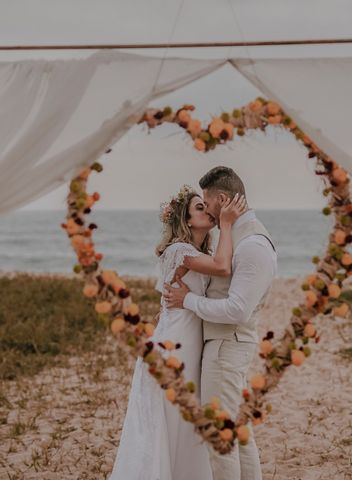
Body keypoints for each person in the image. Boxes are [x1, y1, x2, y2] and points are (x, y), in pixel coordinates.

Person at [110, 184, 246, 480]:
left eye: (205, 206)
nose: (207, 210)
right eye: (199, 208)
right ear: (185, 221)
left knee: (186, 418)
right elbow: (222, 267)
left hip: (187, 339)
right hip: (175, 343)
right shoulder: (179, 251)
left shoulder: (199, 252)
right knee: (175, 416)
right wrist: (226, 223)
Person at [164, 166, 277, 480]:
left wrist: (187, 300)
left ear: (223, 200)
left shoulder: (252, 245)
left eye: (207, 203)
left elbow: (238, 310)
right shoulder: (238, 238)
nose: (208, 211)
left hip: (228, 347)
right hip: (225, 346)